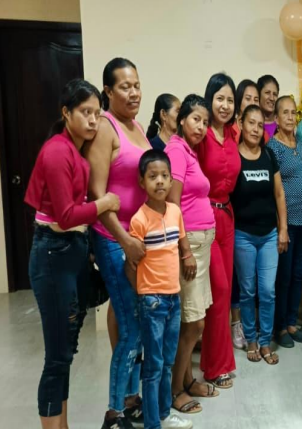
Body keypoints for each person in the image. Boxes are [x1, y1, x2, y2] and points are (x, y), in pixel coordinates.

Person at [25, 79, 120, 429]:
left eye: (96, 113)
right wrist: (104, 203)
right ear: (66, 113)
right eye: (85, 112)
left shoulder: (74, 150)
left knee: (66, 350)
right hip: (54, 253)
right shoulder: (57, 151)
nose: (93, 120)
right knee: (57, 356)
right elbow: (65, 215)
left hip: (71, 250)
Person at [85, 57, 150, 429]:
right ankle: (114, 413)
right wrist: (125, 241)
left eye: (137, 85)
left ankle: (130, 398)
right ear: (108, 91)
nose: (134, 92)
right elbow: (97, 195)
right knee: (131, 327)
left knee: (130, 318)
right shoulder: (106, 128)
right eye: (125, 86)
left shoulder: (135, 125)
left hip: (135, 240)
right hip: (113, 239)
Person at [127, 149, 194, 429]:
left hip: (173, 298)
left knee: (167, 362)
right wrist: (143, 294)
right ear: (142, 182)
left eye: (165, 176)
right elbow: (130, 265)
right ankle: (152, 423)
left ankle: (164, 414)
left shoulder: (175, 212)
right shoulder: (139, 220)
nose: (160, 181)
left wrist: (188, 256)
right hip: (151, 302)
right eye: (153, 176)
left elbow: (181, 242)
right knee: (153, 366)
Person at [165, 94, 219, 413]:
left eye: (205, 122)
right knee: (193, 323)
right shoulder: (175, 150)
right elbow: (172, 204)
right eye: (196, 119)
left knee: (194, 319)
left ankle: (187, 380)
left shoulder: (189, 151)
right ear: (182, 119)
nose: (201, 126)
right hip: (191, 249)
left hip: (202, 245)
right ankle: (175, 390)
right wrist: (184, 250)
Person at [232, 104, 288, 364]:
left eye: (259, 125)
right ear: (241, 124)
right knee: (247, 291)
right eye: (251, 123)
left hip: (269, 235)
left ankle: (265, 342)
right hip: (242, 235)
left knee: (267, 291)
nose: (255, 129)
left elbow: (279, 193)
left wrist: (283, 229)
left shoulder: (268, 155)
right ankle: (251, 339)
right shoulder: (234, 157)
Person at [196, 73, 240, 390]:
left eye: (230, 100)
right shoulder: (201, 135)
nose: (225, 105)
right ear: (209, 99)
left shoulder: (234, 133)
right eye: (220, 98)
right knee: (219, 292)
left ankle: (216, 363)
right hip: (205, 217)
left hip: (228, 215)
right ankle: (215, 367)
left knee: (223, 294)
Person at [267, 96, 302, 348]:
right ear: (276, 117)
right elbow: (274, 191)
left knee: (298, 274)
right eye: (284, 113)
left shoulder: (301, 145)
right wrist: (281, 227)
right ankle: (281, 327)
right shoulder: (272, 148)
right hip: (287, 222)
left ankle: (293, 322)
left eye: (293, 113)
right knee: (283, 276)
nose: (289, 117)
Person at [230, 78, 260, 349]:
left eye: (255, 99)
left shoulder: (262, 134)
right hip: (232, 216)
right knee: (237, 278)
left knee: (250, 280)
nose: (252, 102)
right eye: (248, 98)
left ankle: (248, 324)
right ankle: (236, 323)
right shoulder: (229, 132)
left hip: (258, 222)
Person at [257, 74, 279, 143]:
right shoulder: (251, 124)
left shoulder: (282, 124)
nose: (272, 98)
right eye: (267, 93)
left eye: (275, 94)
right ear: (258, 94)